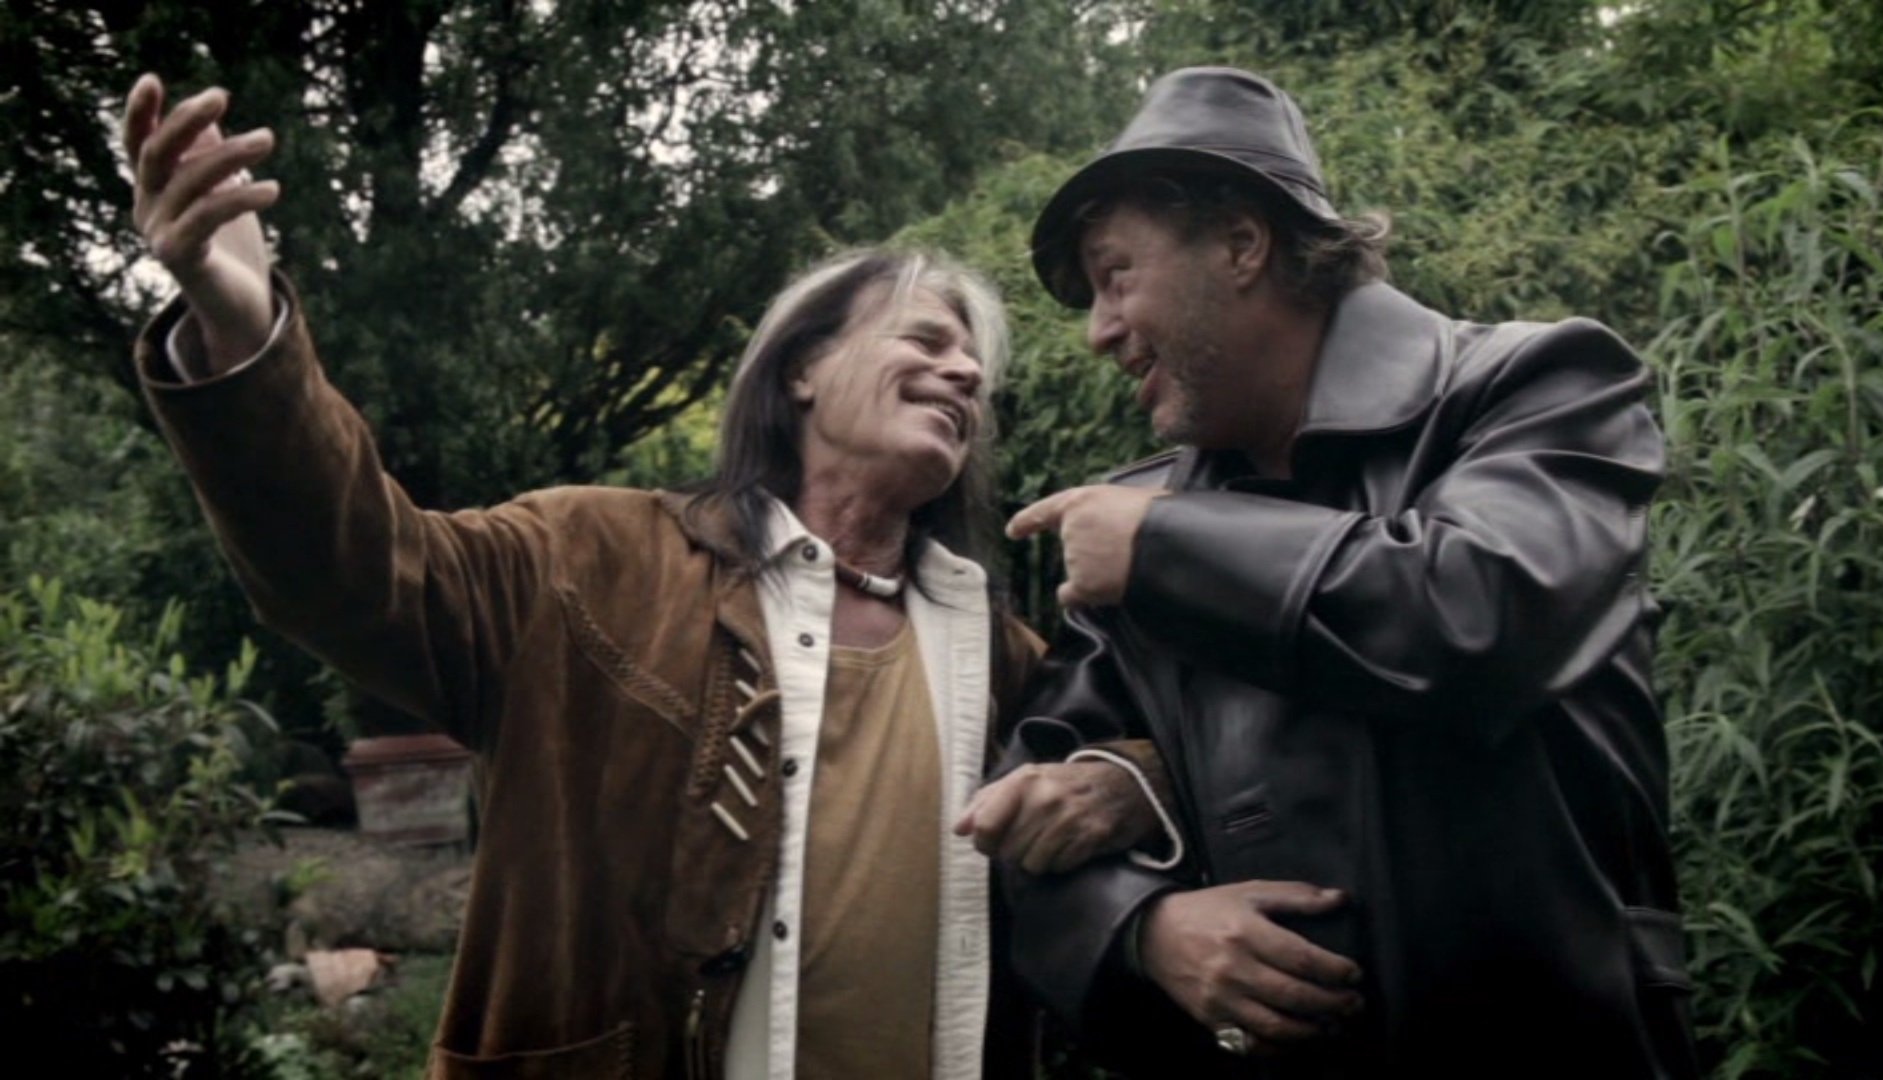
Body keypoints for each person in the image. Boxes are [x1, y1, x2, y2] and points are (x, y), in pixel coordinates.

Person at [119, 74, 1165, 1080]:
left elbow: (1171, 760)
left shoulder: (999, 651)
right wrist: (245, 336)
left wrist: (1129, 782)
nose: (968, 373)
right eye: (928, 339)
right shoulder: (587, 561)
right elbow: (353, 573)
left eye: (976, 368)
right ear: (801, 369)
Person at [960, 67, 1699, 1078]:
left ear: (1241, 243)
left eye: (1115, 276)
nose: (1098, 331)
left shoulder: (1535, 386)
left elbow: (1485, 612)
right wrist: (1144, 928)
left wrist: (1166, 551)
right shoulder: (1134, 521)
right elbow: (1022, 828)